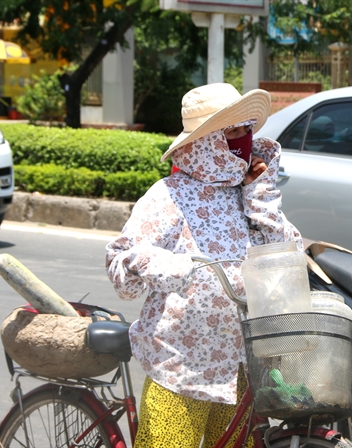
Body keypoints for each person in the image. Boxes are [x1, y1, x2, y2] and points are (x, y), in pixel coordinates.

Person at [106, 83, 302, 448]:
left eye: (247, 129)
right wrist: (158, 263)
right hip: (179, 366)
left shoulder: (250, 193)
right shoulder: (168, 195)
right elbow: (120, 263)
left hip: (240, 367)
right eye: (232, 131)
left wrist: (260, 196)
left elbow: (287, 256)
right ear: (206, 141)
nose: (243, 139)